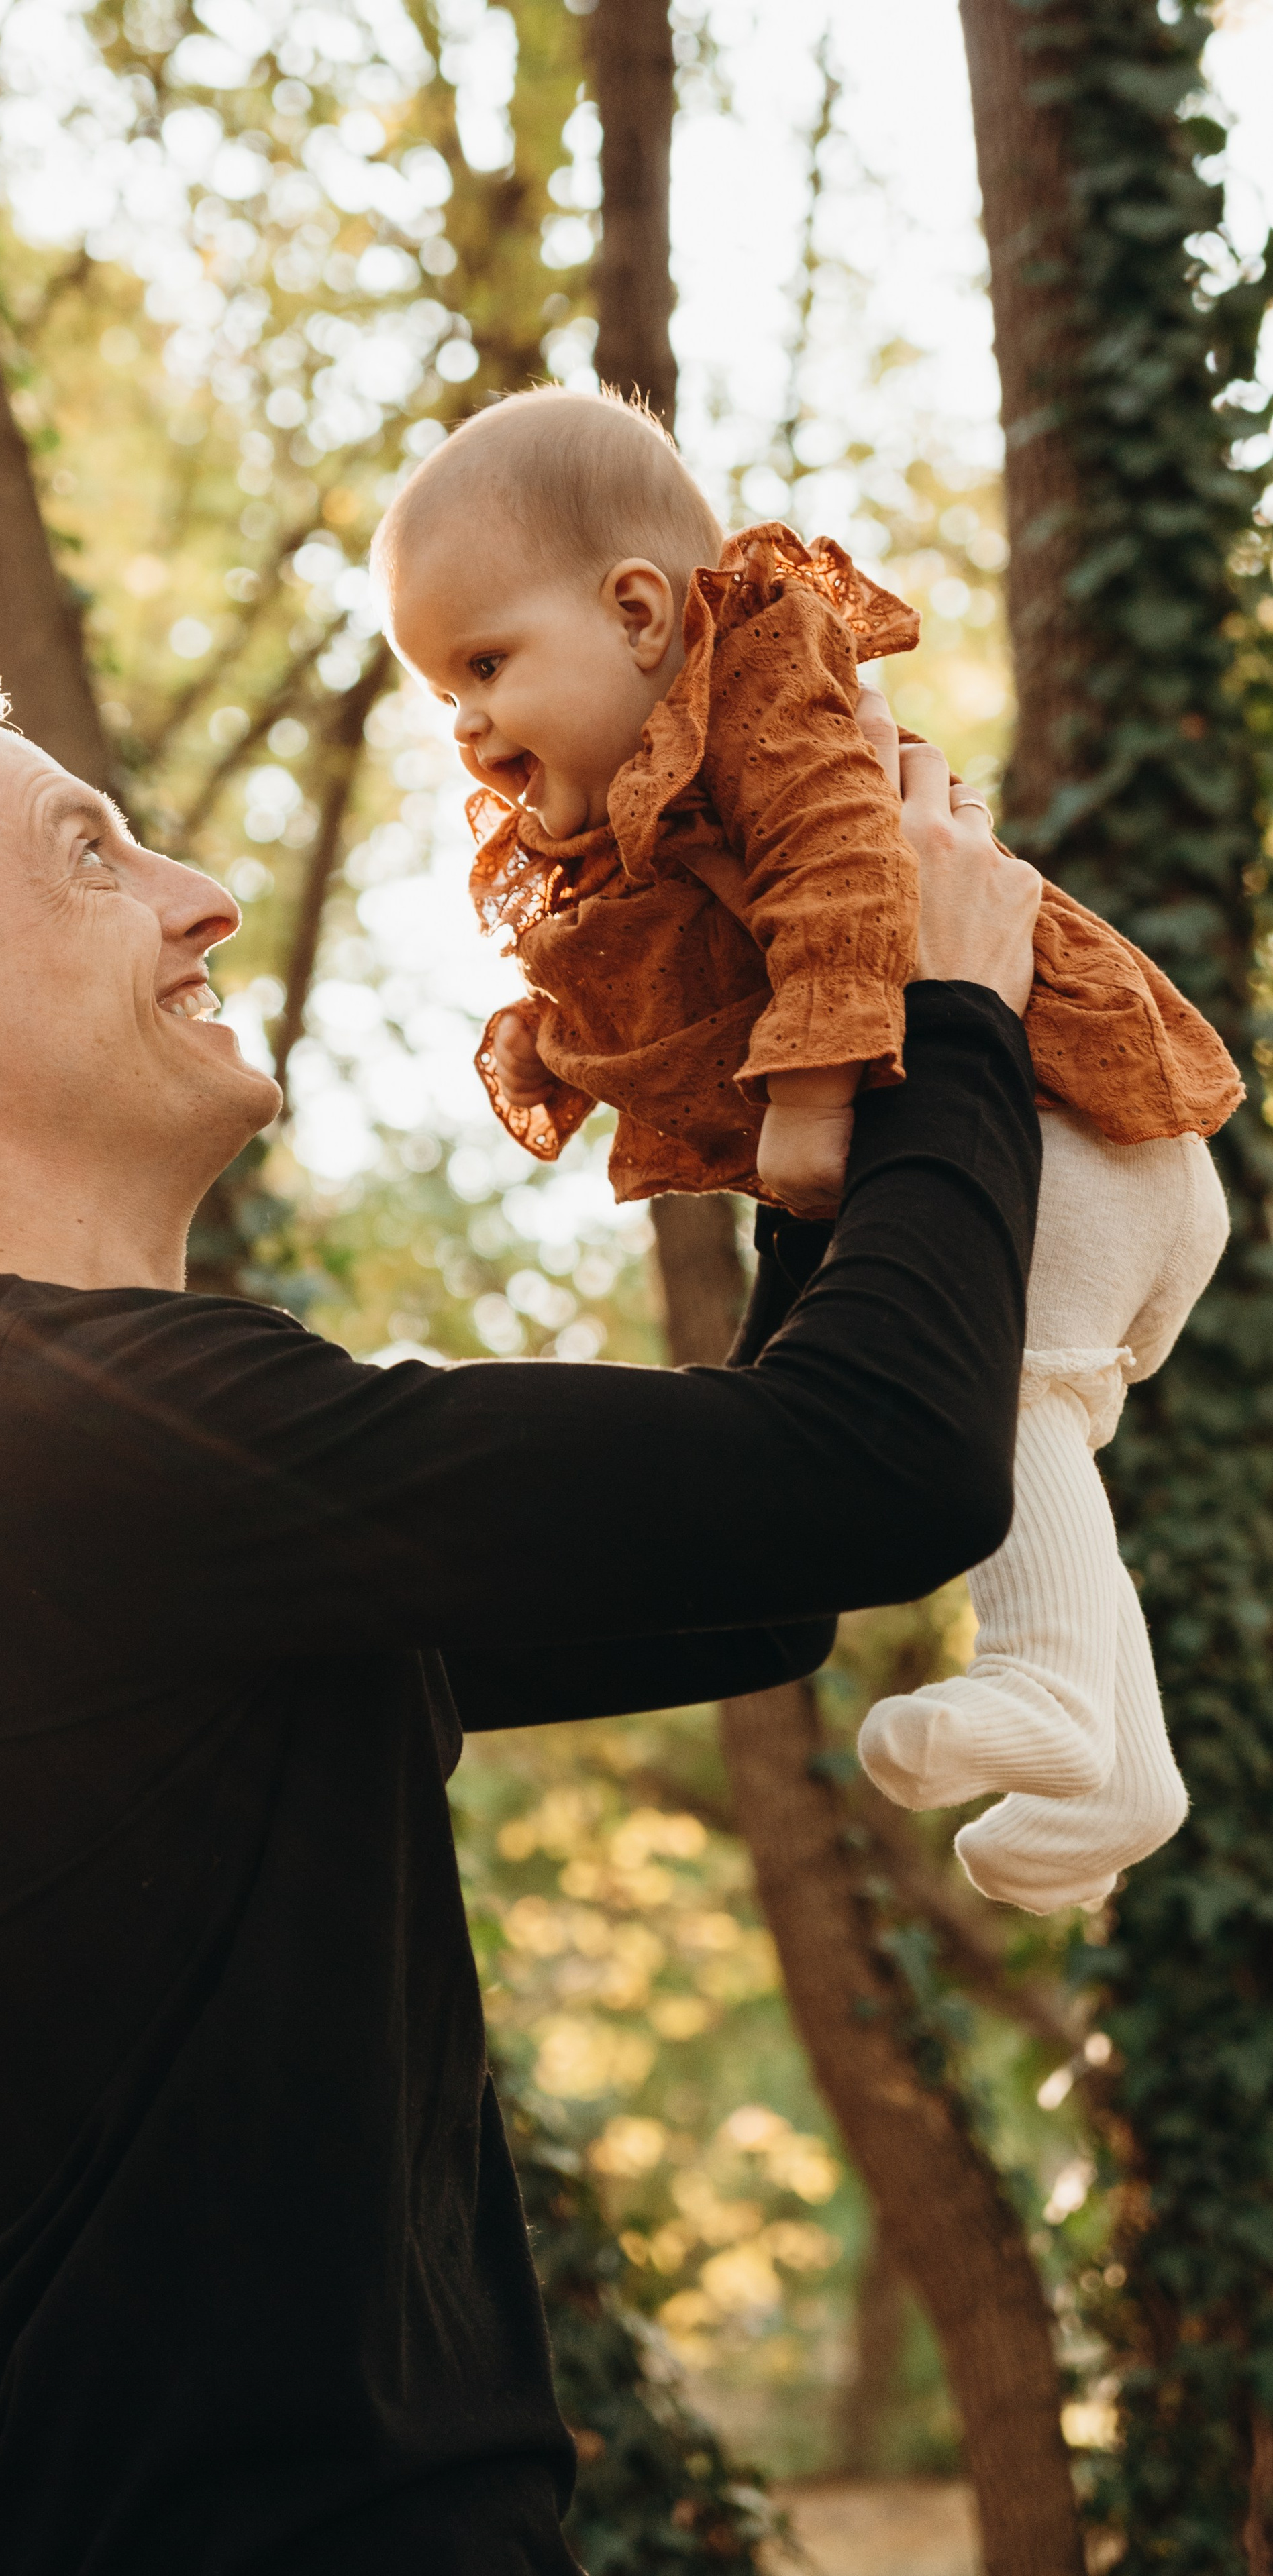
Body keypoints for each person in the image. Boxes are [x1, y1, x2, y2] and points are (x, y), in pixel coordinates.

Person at [0, 676, 1039, 2575]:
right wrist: (942, 1011)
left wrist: (817, 1079)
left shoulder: (97, 1468)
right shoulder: (33, 1444)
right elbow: (887, 1474)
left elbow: (767, 1574)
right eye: (88, 853)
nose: (201, 890)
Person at [376, 386, 1238, 1914]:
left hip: (1066, 1121)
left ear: (639, 611)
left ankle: (1040, 1674)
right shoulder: (657, 801)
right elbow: (661, 988)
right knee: (1045, 1424)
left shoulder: (767, 683)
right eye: (443, 689)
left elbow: (845, 883)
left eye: (484, 663)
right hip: (1072, 1154)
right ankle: (1121, 1772)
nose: (464, 722)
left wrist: (816, 1096)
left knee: (1015, 1392)